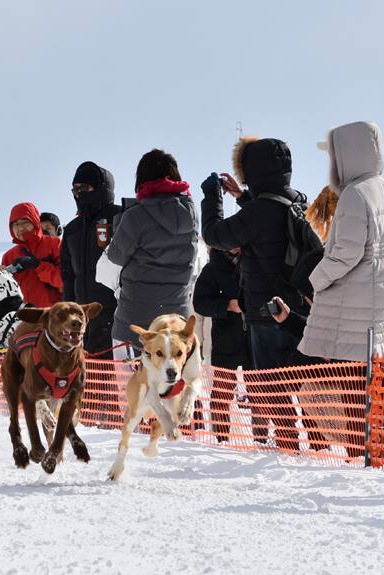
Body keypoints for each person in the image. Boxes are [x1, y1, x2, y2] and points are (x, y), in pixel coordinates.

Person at [201, 137, 308, 448]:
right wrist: (242, 196)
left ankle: (288, 445)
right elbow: (268, 221)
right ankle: (317, 446)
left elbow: (215, 235)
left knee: (270, 387)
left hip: (265, 311)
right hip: (297, 312)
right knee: (302, 386)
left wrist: (212, 198)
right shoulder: (299, 202)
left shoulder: (260, 211)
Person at [299, 121, 384, 362]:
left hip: (354, 314)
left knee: (349, 380)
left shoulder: (355, 193)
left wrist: (316, 279)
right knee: (372, 381)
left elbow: (347, 252)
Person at [104, 149, 199, 354]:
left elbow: (116, 256)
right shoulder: (191, 215)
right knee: (172, 375)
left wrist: (120, 221)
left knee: (130, 376)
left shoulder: (135, 216)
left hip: (134, 324)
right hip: (176, 325)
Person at [61, 161, 123, 359]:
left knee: (115, 372)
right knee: (87, 371)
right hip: (81, 318)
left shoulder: (120, 217)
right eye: (75, 189)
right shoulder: (72, 229)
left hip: (117, 314)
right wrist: (67, 311)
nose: (79, 193)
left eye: (85, 188)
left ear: (101, 188)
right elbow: (68, 275)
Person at [192, 247, 252, 442]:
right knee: (222, 393)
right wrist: (226, 306)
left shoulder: (254, 259)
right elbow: (199, 303)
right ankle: (221, 439)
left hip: (254, 337)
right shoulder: (213, 268)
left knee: (260, 391)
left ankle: (262, 441)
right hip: (226, 339)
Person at [1, 203, 63, 308]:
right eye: (15, 224)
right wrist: (0, 278)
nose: (20, 228)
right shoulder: (8, 256)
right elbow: (5, 295)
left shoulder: (55, 244)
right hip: (24, 315)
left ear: (35, 221)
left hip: (54, 313)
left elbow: (65, 280)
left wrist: (38, 265)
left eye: (25, 222)